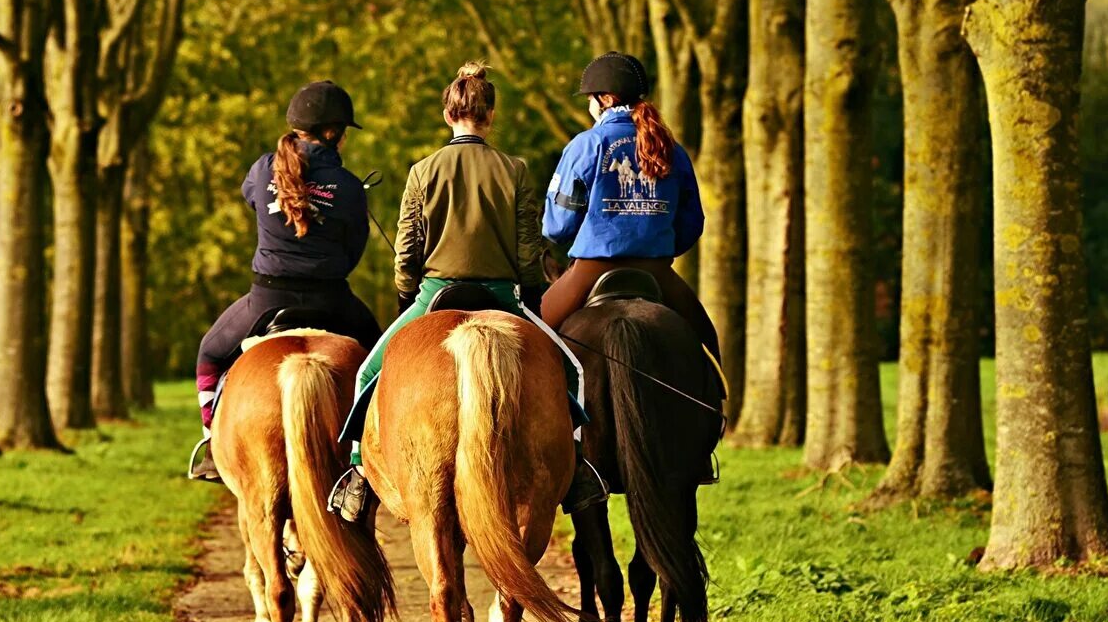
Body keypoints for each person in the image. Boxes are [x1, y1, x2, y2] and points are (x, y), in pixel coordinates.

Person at [332, 61, 599, 520]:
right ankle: (575, 473)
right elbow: (528, 246)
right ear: (490, 115)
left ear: (448, 115)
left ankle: (358, 475)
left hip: (435, 292)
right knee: (571, 370)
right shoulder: (515, 169)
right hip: (502, 294)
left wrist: (405, 293)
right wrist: (531, 294)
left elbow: (407, 250)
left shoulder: (422, 170)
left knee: (365, 376)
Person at [188, 80, 383, 482]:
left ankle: (211, 443)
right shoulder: (347, 186)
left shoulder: (263, 169)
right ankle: (374, 450)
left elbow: (251, 199)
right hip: (333, 300)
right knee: (383, 362)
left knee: (209, 354)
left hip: (265, 299)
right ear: (333, 133)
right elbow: (354, 250)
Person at [541, 51, 720, 365]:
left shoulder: (587, 144)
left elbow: (558, 225)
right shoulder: (672, 149)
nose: (588, 106)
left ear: (606, 99)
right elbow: (692, 221)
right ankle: (718, 407)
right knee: (708, 347)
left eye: (590, 99)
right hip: (656, 269)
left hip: (592, 269)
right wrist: (658, 244)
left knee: (531, 339)